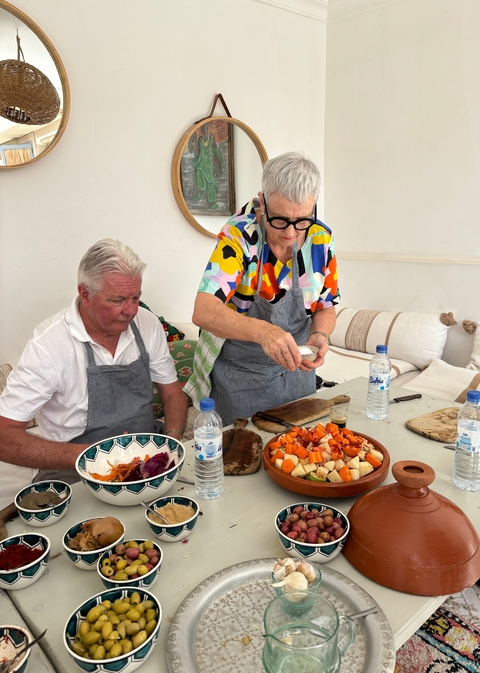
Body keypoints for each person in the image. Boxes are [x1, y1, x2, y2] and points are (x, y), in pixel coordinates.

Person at [0, 238, 188, 507]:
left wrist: (171, 442)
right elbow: (4, 435)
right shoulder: (50, 344)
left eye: (136, 298)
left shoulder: (147, 325)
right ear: (85, 294)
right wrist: (97, 457)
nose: (132, 310)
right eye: (118, 299)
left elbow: (172, 393)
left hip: (145, 456)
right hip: (72, 467)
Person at [184, 151, 340, 425]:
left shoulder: (320, 238)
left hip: (296, 373)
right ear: (263, 203)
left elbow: (326, 306)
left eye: (302, 220)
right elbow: (203, 310)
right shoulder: (240, 236)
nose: (290, 233)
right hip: (243, 377)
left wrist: (319, 335)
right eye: (279, 220)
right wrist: (265, 333)